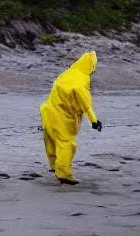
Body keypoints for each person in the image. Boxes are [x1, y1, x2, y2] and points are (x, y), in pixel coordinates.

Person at [39, 51, 103, 185]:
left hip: (47, 112)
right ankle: (64, 175)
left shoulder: (66, 74)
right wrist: (94, 121)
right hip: (62, 116)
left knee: (51, 141)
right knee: (66, 144)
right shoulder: (80, 80)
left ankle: (54, 165)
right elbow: (86, 104)